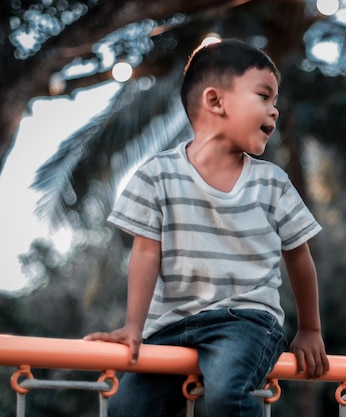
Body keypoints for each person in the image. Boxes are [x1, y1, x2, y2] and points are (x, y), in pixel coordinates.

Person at [84, 38, 329, 417]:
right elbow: (146, 253)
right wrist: (133, 327)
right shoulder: (156, 175)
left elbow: (299, 256)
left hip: (246, 321)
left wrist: (310, 329)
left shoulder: (272, 183)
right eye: (264, 96)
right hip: (170, 326)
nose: (275, 111)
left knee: (229, 394)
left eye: (275, 100)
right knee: (127, 406)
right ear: (215, 101)